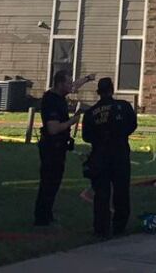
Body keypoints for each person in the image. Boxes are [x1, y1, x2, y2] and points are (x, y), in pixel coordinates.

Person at [33, 70, 93, 227]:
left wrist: (87, 79)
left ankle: (48, 215)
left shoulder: (60, 96)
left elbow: (74, 87)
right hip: (51, 147)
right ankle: (42, 218)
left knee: (55, 182)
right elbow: (53, 129)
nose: (71, 86)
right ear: (59, 84)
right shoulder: (51, 100)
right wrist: (72, 121)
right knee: (49, 182)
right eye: (68, 82)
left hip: (59, 147)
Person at [81, 76, 138, 238]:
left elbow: (86, 136)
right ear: (112, 90)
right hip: (120, 153)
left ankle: (101, 228)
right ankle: (120, 225)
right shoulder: (124, 106)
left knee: (101, 192)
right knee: (121, 191)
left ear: (98, 92)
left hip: (99, 155)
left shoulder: (91, 113)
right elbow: (132, 125)